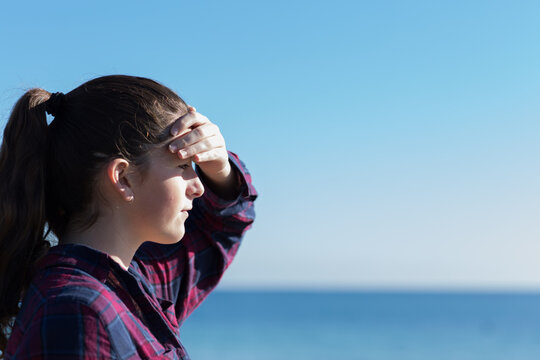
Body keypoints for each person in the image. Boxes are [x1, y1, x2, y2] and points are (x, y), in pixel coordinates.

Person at [0, 75, 257, 359]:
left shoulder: (132, 281)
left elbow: (221, 228)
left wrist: (221, 169)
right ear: (123, 178)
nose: (198, 186)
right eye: (184, 165)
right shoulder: (77, 310)